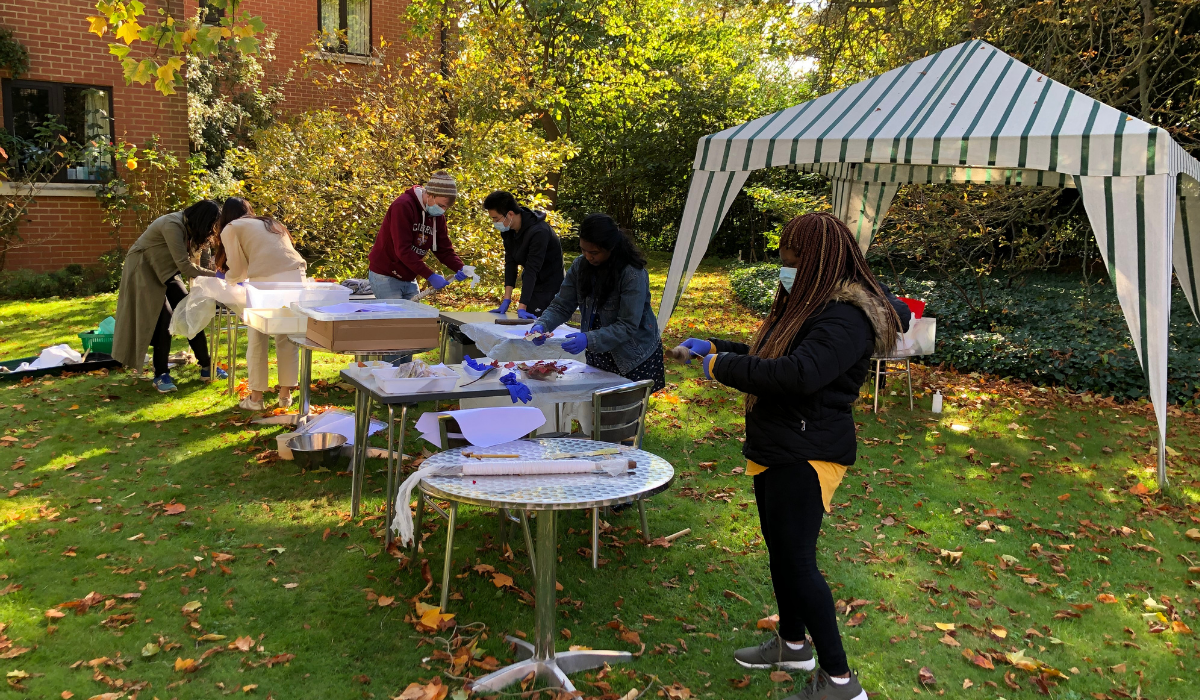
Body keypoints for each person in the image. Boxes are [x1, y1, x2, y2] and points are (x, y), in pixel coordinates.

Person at [674, 212, 900, 700]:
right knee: (782, 554)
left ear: (817, 258)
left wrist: (721, 366)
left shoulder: (846, 316)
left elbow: (798, 374)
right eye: (783, 254)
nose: (784, 263)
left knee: (798, 561)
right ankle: (793, 644)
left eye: (791, 256)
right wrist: (716, 346)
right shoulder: (810, 303)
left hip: (809, 450)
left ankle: (841, 681)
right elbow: (771, 353)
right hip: (780, 443)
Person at [529, 213, 665, 392]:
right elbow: (562, 304)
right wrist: (543, 325)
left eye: (594, 252)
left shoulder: (632, 273)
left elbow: (627, 325)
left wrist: (588, 338)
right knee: (598, 411)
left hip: (633, 357)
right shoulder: (580, 266)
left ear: (611, 247)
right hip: (599, 352)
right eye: (583, 250)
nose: (588, 256)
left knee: (626, 415)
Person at [112, 200, 225, 393]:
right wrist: (219, 276)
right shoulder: (172, 225)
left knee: (189, 310)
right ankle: (161, 374)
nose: (209, 232)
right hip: (143, 269)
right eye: (209, 226)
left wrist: (214, 273)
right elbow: (185, 266)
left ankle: (206, 366)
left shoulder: (188, 229)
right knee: (163, 319)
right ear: (200, 220)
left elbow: (192, 262)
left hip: (166, 271)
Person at [216, 198, 308, 411]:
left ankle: (256, 398)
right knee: (286, 336)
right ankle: (285, 396)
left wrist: (226, 281)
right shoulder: (270, 223)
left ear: (225, 216)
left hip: (266, 284)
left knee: (257, 336)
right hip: (297, 278)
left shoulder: (231, 228)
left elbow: (238, 270)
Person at [367, 170, 470, 301]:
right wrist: (430, 276)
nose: (442, 210)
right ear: (430, 195)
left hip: (409, 276)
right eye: (440, 205)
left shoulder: (437, 217)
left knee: (415, 318)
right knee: (395, 318)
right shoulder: (403, 206)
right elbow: (403, 250)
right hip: (385, 273)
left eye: (446, 208)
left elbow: (443, 250)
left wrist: (460, 267)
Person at [482, 191, 564, 319]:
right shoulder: (509, 231)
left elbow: (532, 268)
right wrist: (506, 300)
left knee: (538, 327)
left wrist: (522, 306)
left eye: (496, 219)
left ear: (510, 214)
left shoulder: (539, 232)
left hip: (549, 286)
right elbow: (510, 263)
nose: (494, 223)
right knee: (526, 326)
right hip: (532, 283)